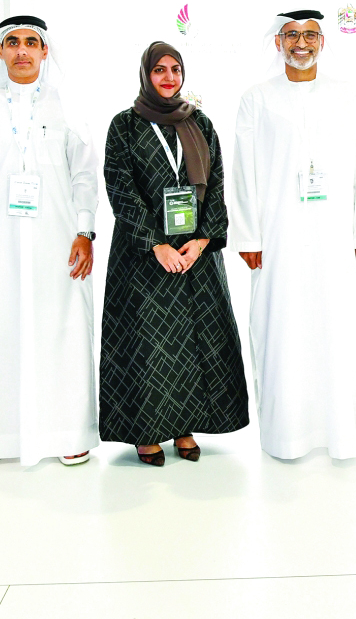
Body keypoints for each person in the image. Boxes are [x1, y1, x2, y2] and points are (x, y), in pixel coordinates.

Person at [0, 15, 99, 469]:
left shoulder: (67, 105)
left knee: (63, 331)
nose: (22, 51)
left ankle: (69, 433)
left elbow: (85, 173)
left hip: (58, 242)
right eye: (12, 42)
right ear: (0, 51)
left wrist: (85, 231)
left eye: (32, 42)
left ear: (45, 51)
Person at [230, 9, 356, 460]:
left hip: (335, 235)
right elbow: (243, 172)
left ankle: (341, 432)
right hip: (279, 236)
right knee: (283, 329)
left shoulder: (347, 96)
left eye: (311, 35)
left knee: (337, 328)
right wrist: (249, 237)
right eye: (292, 35)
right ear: (278, 42)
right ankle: (289, 435)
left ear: (322, 42)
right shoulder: (257, 99)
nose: (302, 43)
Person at [100, 42, 249, 466]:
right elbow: (120, 187)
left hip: (195, 253)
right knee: (148, 343)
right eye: (160, 70)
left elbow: (216, 183)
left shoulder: (198, 122)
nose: (169, 78)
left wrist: (202, 241)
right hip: (144, 255)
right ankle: (146, 433)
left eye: (175, 70)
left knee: (192, 342)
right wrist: (157, 244)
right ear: (146, 75)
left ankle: (184, 427)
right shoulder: (125, 125)